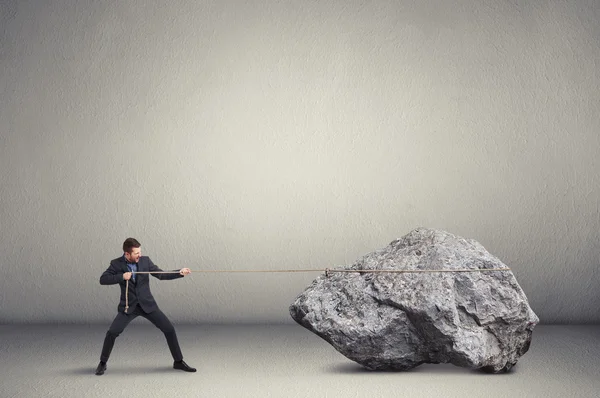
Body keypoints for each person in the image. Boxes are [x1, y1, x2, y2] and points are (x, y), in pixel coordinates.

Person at [95, 237, 196, 375]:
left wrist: (180, 272)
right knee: (112, 332)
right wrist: (121, 277)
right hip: (128, 307)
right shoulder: (116, 264)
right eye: (136, 253)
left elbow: (161, 275)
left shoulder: (145, 261)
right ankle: (102, 363)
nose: (139, 255)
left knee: (169, 329)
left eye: (140, 251)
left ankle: (178, 361)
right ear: (127, 254)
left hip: (148, 305)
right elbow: (103, 279)